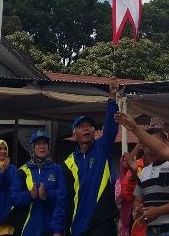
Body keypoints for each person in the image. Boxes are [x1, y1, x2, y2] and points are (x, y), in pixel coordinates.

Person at [59, 76, 120, 236]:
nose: (86, 129)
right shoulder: (69, 163)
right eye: (81, 126)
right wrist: (59, 229)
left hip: (102, 221)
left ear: (94, 131)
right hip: (78, 226)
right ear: (74, 134)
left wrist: (112, 99)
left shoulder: (102, 148)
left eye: (89, 126)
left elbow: (111, 128)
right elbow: (63, 198)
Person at [132, 128, 169, 236]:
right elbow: (137, 199)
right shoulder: (143, 172)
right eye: (147, 145)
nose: (151, 149)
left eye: (154, 144)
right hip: (151, 231)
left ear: (164, 144)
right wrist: (138, 210)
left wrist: (158, 211)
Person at [11, 130, 68, 236]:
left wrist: (46, 195)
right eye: (38, 143)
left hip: (50, 229)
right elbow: (14, 199)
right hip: (25, 230)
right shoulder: (22, 171)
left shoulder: (57, 169)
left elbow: (63, 198)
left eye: (44, 143)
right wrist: (30, 195)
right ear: (32, 148)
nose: (42, 146)